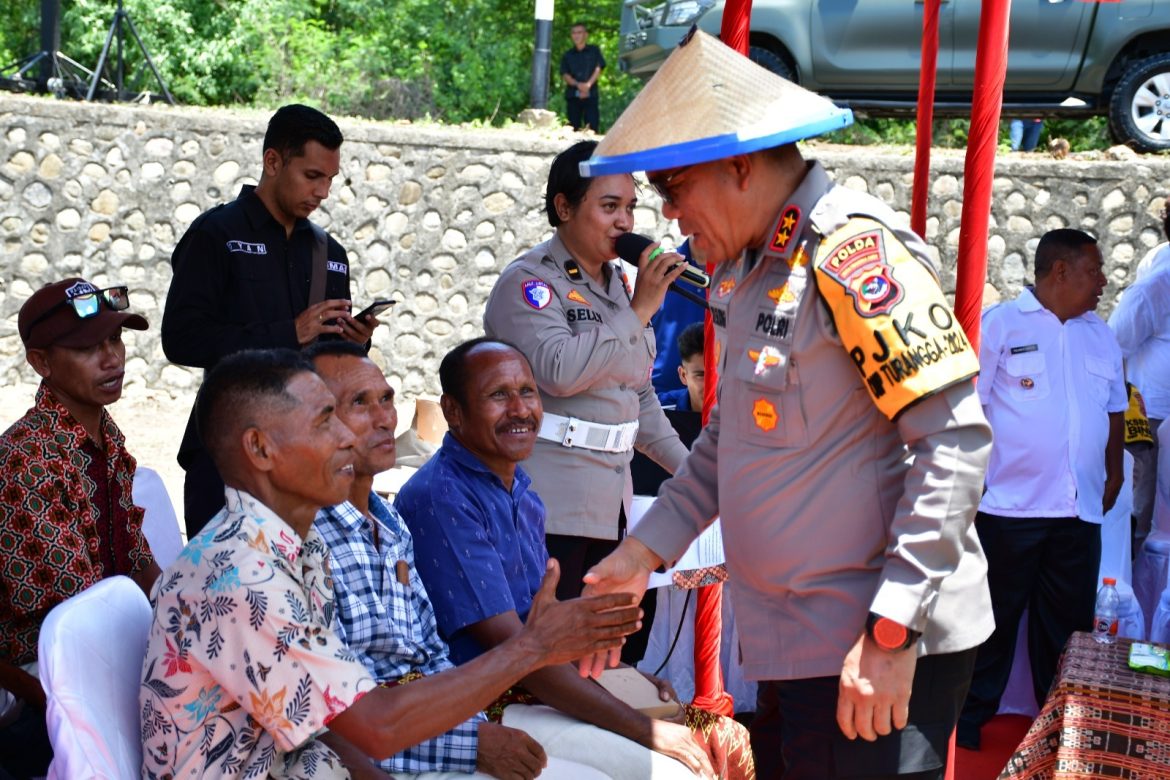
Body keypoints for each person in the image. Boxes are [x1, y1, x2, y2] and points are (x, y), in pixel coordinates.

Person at [575, 31, 994, 780]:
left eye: (676, 189)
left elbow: (953, 442)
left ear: (740, 166)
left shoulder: (849, 254)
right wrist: (644, 550)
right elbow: (727, 440)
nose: (671, 217)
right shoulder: (756, 268)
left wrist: (894, 631)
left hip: (876, 643)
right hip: (802, 641)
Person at [139, 348, 641, 779]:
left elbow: (347, 719)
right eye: (325, 419)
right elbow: (374, 726)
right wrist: (532, 647)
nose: (348, 437)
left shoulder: (291, 545)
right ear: (261, 449)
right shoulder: (243, 574)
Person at [399, 338, 754, 780]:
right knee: (678, 767)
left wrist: (627, 674)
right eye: (497, 395)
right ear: (453, 411)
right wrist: (644, 729)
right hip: (488, 705)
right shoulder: (442, 496)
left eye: (528, 392)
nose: (520, 409)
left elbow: (546, 633)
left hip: (539, 682)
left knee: (726, 738)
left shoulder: (521, 489)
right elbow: (518, 652)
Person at [309, 340, 592, 779]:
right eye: (359, 403)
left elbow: (431, 658)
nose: (385, 418)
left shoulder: (391, 527)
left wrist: (472, 734)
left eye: (386, 399)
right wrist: (470, 742)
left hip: (449, 721)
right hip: (420, 737)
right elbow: (327, 722)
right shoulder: (292, 546)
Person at [482, 140, 689, 663]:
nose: (624, 222)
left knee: (604, 654)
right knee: (549, 658)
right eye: (609, 206)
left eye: (630, 207)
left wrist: (695, 475)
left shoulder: (618, 286)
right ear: (564, 207)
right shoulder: (529, 283)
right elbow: (561, 371)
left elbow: (637, 395)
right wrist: (640, 310)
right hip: (549, 506)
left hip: (610, 506)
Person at [162, 103, 377, 537]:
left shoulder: (328, 253)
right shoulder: (216, 235)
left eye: (330, 180)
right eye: (312, 176)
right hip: (228, 454)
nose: (323, 192)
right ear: (273, 162)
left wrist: (355, 343)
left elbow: (325, 362)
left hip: (307, 453)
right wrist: (287, 333)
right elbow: (180, 338)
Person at [958, 229, 1125, 749]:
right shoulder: (1002, 323)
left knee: (1068, 632)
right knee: (993, 622)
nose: (1103, 281)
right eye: (1094, 270)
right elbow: (971, 406)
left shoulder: (1100, 333)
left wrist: (1114, 468)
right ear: (1060, 271)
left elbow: (1115, 409)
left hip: (1079, 512)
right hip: (1009, 506)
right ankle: (966, 725)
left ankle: (1060, 731)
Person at [0, 277, 160, 778]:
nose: (112, 358)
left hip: (104, 646)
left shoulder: (104, 436)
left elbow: (138, 562)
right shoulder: (27, 460)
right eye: (89, 347)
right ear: (41, 363)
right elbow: (79, 615)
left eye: (115, 340)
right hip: (38, 675)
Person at [1111, 219, 1170, 550]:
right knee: (1141, 519)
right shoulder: (1154, 287)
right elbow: (1113, 344)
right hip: (1151, 418)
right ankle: (1130, 595)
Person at [560, 23, 605, 132]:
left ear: (585, 35)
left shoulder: (594, 51)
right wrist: (578, 85)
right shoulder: (567, 55)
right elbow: (565, 74)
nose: (576, 35)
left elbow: (599, 67)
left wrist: (588, 85)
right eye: (574, 33)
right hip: (573, 97)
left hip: (591, 96)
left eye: (579, 32)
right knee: (572, 129)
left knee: (592, 129)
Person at [656, 322, 705, 413]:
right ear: (683, 375)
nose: (712, 385)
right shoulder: (658, 411)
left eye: (718, 375)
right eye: (701, 375)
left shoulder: (739, 413)